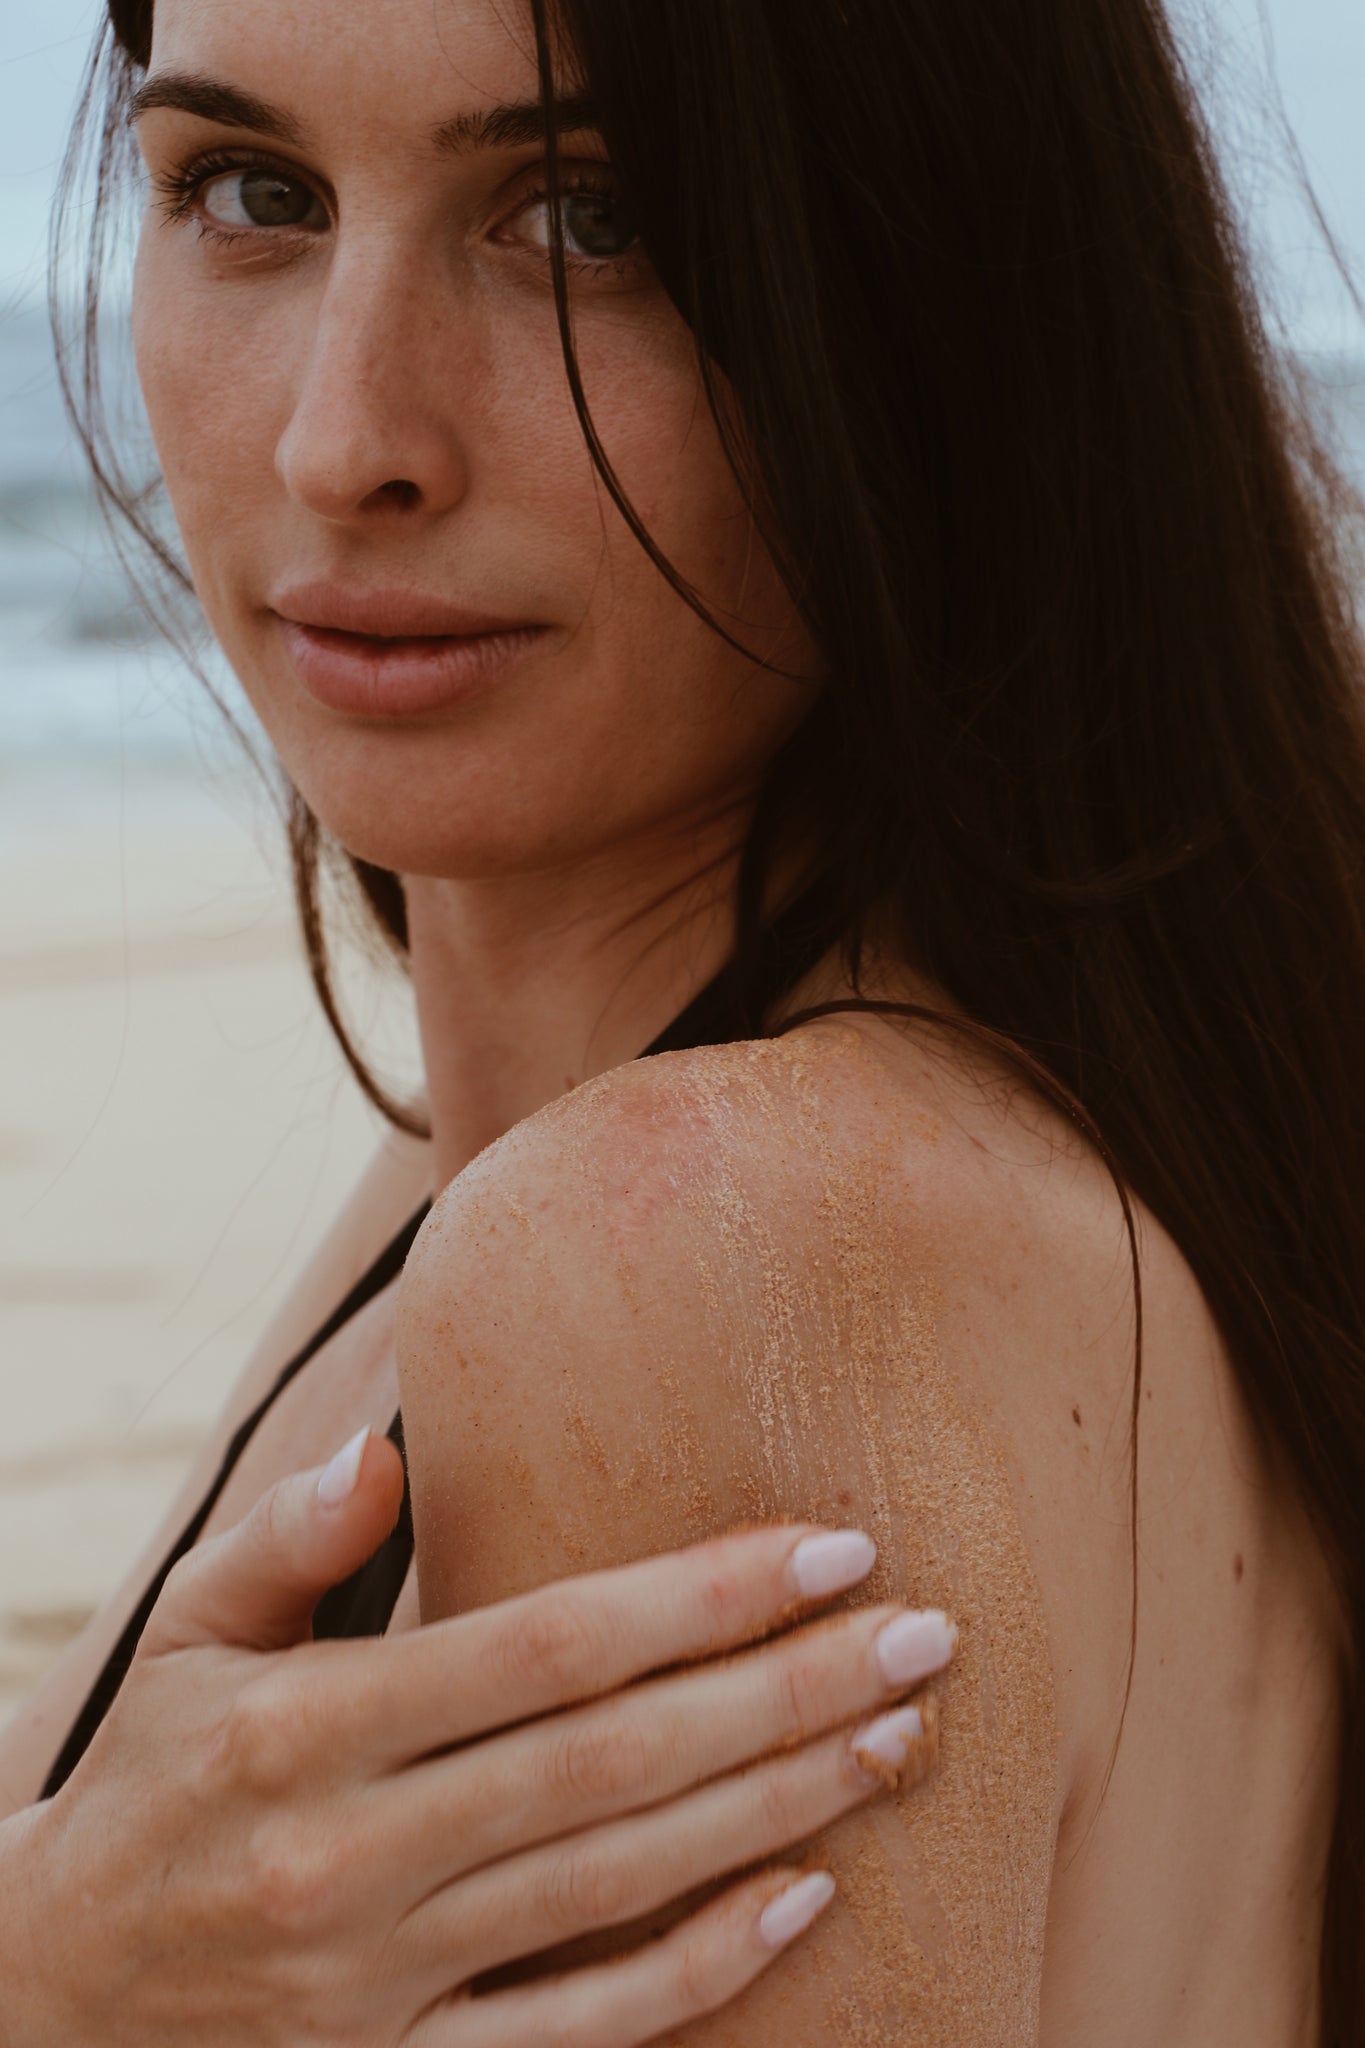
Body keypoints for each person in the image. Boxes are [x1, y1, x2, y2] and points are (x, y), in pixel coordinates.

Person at [7, 0, 1365, 2039]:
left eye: (590, 220)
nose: (341, 437)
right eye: (252, 192)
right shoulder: (551, 1136)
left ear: (940, 278)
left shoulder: (686, 1247)